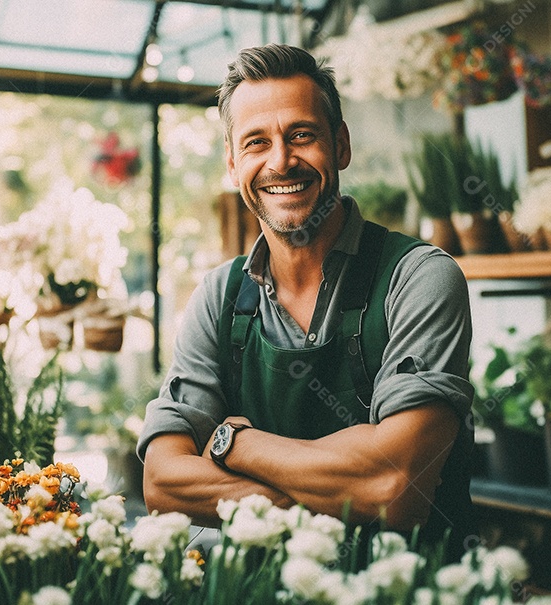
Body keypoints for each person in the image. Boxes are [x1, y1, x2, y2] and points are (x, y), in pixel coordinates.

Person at [136, 43, 474, 556]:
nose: (281, 161)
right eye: (256, 143)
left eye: (301, 135)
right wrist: (345, 480)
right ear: (232, 163)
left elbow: (396, 488)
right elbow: (163, 483)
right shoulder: (219, 297)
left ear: (340, 146)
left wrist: (237, 444)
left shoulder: (418, 279)